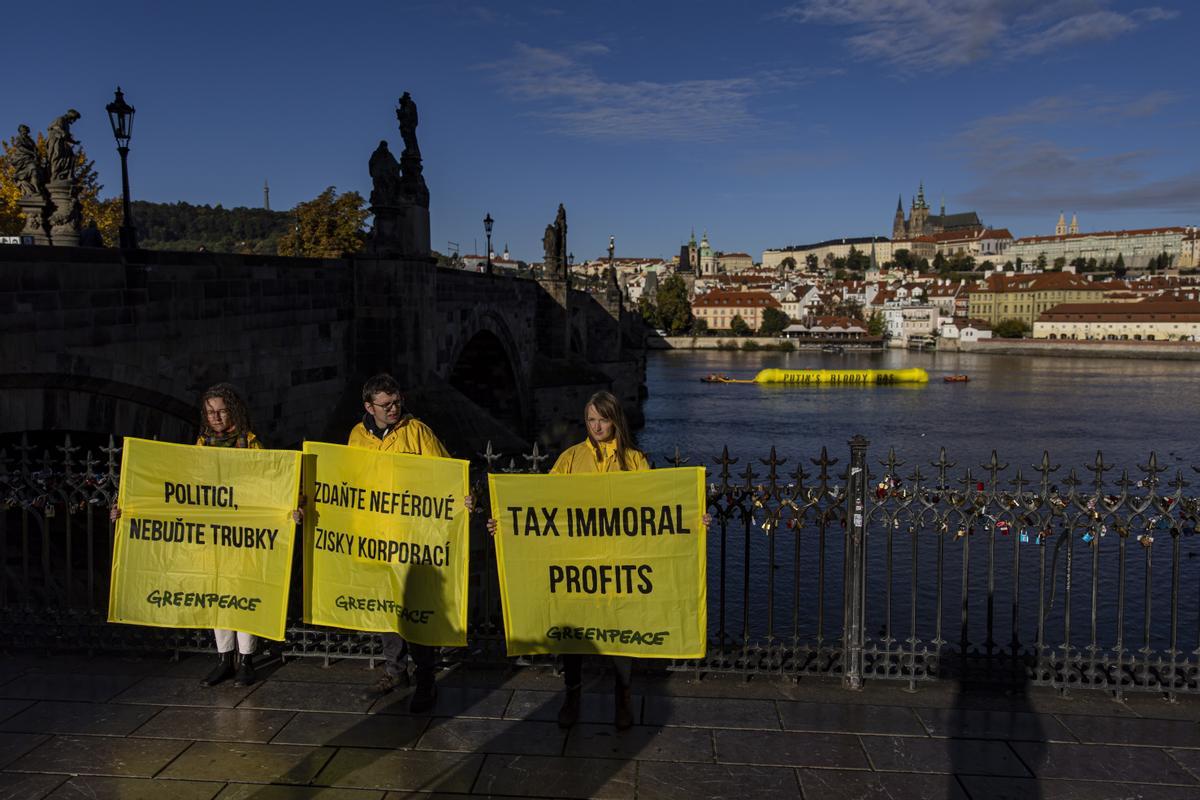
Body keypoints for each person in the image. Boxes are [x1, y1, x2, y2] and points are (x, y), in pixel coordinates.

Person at [111, 383, 298, 688]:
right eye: (210, 411)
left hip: (241, 535)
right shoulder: (202, 444)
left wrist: (287, 512)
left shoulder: (251, 444)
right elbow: (183, 490)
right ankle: (224, 658)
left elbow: (269, 487)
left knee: (241, 594)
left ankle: (246, 660)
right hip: (211, 536)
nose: (216, 417)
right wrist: (130, 510)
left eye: (222, 410)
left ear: (233, 410)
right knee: (217, 595)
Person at [488, 390, 647, 730]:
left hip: (618, 562)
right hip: (577, 560)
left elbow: (654, 509)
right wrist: (505, 522)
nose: (597, 426)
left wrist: (694, 520)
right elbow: (543, 504)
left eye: (603, 419)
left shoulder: (634, 460)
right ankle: (572, 695)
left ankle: (623, 698)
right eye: (591, 420)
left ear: (615, 420)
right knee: (575, 634)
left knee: (620, 633)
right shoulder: (571, 458)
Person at [349, 373, 465, 712]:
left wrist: (464, 498)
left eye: (397, 402)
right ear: (369, 407)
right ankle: (394, 670)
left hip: (412, 539)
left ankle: (426, 677)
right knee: (387, 610)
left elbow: (445, 474)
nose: (394, 409)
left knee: (415, 611)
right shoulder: (357, 436)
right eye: (386, 405)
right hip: (377, 537)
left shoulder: (418, 432)